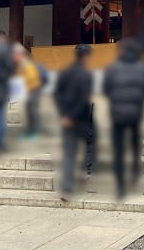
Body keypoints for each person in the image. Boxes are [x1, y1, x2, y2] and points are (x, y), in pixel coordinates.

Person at [103, 38, 144, 198]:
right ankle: (135, 174)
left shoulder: (112, 68)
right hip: (135, 112)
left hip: (117, 113)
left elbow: (106, 89)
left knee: (118, 149)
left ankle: (120, 186)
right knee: (134, 144)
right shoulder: (143, 68)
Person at [53, 43, 94, 201]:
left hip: (66, 118)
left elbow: (57, 96)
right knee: (89, 144)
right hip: (80, 118)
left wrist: (64, 115)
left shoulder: (65, 72)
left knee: (70, 153)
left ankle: (66, 189)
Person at [12, 42, 47, 139]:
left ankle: (36, 132)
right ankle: (31, 132)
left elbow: (32, 77)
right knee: (29, 111)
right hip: (30, 90)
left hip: (33, 89)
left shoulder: (26, 63)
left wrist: (23, 84)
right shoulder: (22, 63)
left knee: (33, 111)